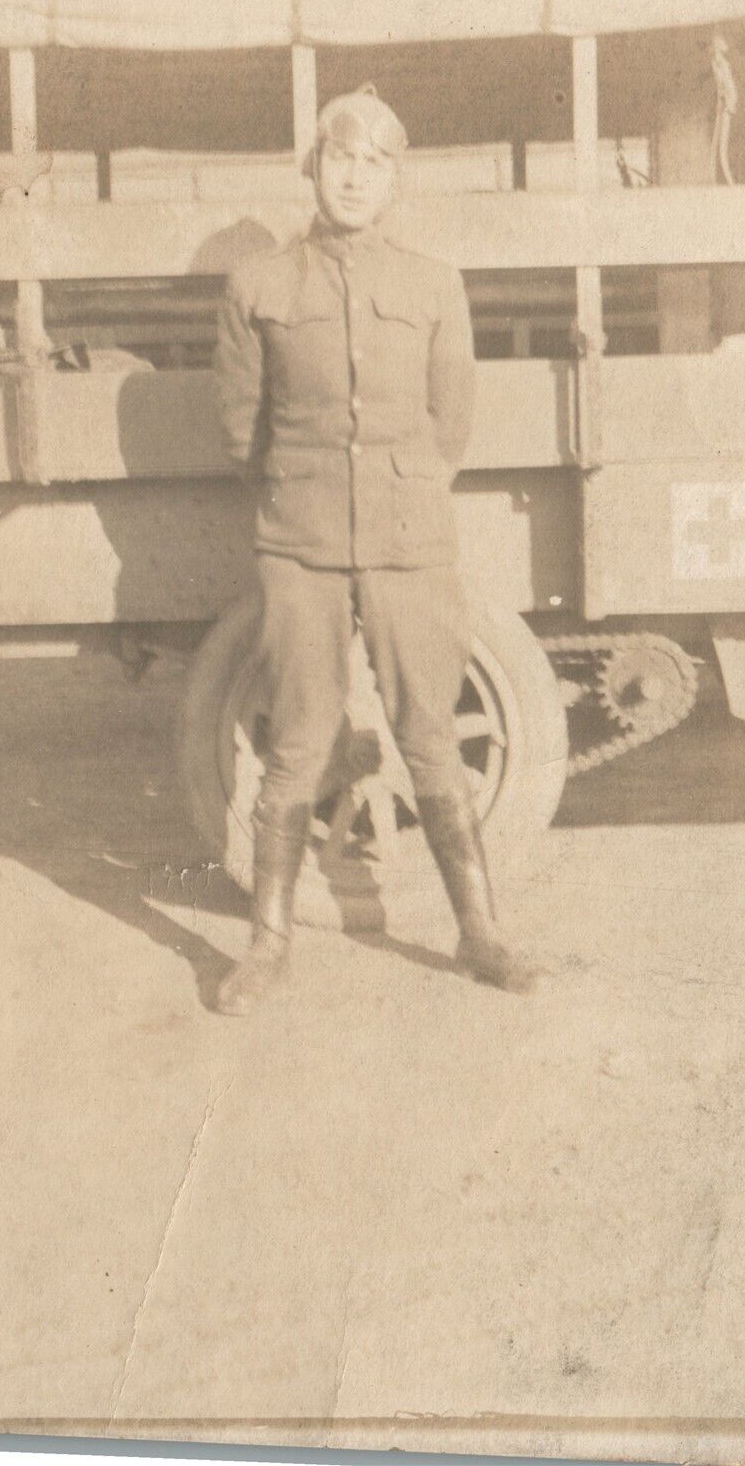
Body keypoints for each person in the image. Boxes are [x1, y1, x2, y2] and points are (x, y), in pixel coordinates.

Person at [212, 84, 536, 1015]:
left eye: (376, 164)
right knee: (299, 740)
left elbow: (452, 421)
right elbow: (242, 431)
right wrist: (305, 498)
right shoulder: (258, 285)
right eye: (341, 158)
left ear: (395, 182)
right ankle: (267, 945)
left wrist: (396, 492)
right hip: (301, 542)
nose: (356, 177)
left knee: (428, 732)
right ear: (313, 167)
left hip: (408, 541)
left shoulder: (435, 284)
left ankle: (480, 935)